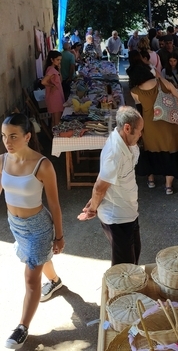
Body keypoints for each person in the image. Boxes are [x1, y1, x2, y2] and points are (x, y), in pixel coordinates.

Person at [1, 114, 65, 348]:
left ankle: (22, 327)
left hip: (38, 227)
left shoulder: (43, 165)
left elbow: (55, 204)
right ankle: (55, 281)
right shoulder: (2, 161)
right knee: (37, 259)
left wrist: (59, 236)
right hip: (15, 225)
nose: (7, 142)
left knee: (30, 277)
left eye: (13, 136)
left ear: (27, 136)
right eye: (4, 136)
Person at [78, 107, 143, 266]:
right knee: (124, 268)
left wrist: (93, 201)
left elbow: (105, 180)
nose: (141, 134)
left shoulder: (126, 142)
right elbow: (100, 187)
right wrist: (93, 208)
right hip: (117, 218)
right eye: (139, 130)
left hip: (129, 210)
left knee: (134, 256)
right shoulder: (115, 152)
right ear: (127, 128)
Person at [128, 51, 178, 194]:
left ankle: (151, 180)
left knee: (150, 151)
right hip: (170, 124)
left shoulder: (135, 91)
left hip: (150, 125)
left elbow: (139, 111)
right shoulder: (162, 82)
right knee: (171, 152)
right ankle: (168, 186)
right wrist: (173, 112)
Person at [41, 51, 65, 128]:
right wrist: (52, 85)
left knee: (54, 120)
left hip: (56, 96)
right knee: (57, 121)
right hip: (55, 97)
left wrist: (59, 70)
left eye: (60, 60)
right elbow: (43, 82)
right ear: (52, 60)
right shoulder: (51, 70)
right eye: (57, 60)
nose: (59, 61)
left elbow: (60, 81)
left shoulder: (52, 69)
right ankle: (56, 135)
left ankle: (53, 134)